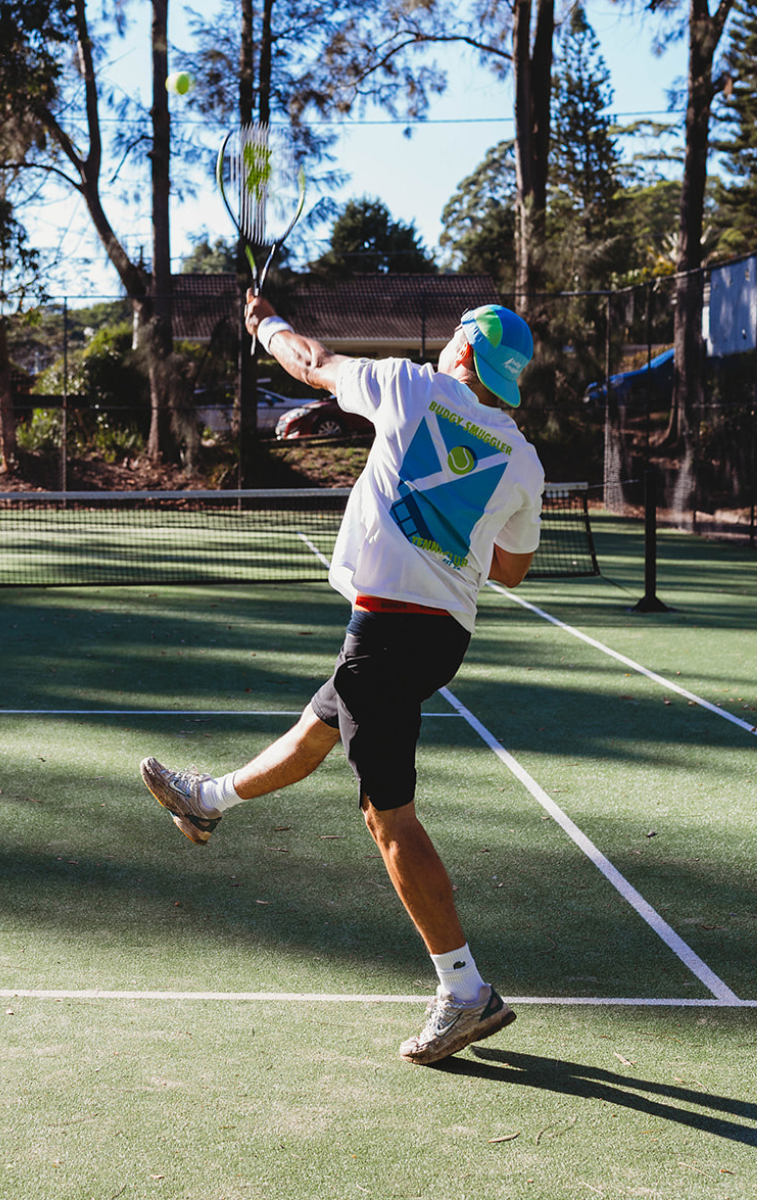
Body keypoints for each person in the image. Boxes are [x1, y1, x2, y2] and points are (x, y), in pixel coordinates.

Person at [141, 291, 545, 1066]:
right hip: (439, 635)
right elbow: (516, 569)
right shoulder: (521, 458)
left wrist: (263, 323)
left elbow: (314, 363)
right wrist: (453, 517)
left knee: (388, 818)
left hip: (390, 628)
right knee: (319, 724)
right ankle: (207, 801)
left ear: (461, 351)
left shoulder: (411, 387)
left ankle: (465, 990)